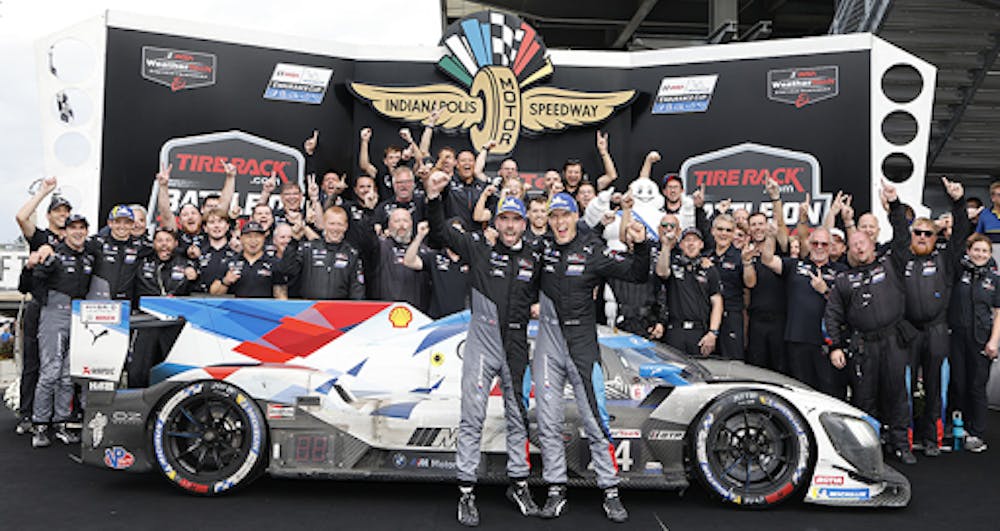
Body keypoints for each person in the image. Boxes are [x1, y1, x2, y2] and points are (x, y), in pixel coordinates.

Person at [424, 172, 540, 525]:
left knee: (519, 416)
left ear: (523, 223)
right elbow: (440, 233)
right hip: (482, 343)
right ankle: (466, 492)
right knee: (472, 416)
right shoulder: (479, 248)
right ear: (496, 220)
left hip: (518, 346)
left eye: (514, 219)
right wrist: (433, 198)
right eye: (503, 218)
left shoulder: (536, 257)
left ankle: (518, 484)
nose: (508, 225)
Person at [534, 192, 649, 523]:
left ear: (575, 218)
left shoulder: (592, 251)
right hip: (548, 344)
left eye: (564, 216)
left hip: (583, 344)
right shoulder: (540, 250)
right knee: (547, 421)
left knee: (595, 418)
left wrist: (641, 246)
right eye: (553, 216)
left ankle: (610, 490)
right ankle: (556, 489)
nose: (559, 222)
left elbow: (637, 273)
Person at [825, 182, 916, 465]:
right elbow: (833, 315)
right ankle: (870, 447)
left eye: (862, 243)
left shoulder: (891, 263)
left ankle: (900, 444)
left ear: (872, 244)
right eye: (853, 245)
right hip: (863, 345)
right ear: (848, 251)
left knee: (897, 394)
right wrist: (835, 347)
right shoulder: (842, 280)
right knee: (865, 398)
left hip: (893, 341)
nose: (858, 248)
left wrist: (895, 204)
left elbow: (902, 236)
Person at [891, 177, 969, 456]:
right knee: (906, 388)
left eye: (928, 233)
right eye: (918, 232)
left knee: (935, 386)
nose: (922, 236)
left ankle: (932, 439)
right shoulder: (901, 258)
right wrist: (894, 205)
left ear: (936, 237)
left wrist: (958, 203)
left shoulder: (945, 260)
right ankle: (906, 440)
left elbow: (960, 235)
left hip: (937, 330)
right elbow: (899, 230)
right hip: (908, 330)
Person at [30, 214, 93, 448]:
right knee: (50, 372)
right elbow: (33, 283)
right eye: (72, 228)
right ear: (64, 232)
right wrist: (48, 303)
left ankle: (61, 423)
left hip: (79, 316)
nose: (77, 232)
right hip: (54, 315)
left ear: (86, 231)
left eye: (81, 228)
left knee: (68, 375)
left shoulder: (88, 256)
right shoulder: (54, 255)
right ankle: (39, 425)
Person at [13, 177, 70, 435]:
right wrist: (44, 192)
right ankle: (27, 414)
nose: (63, 215)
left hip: (64, 310)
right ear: (48, 215)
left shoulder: (74, 239)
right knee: (34, 362)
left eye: (66, 211)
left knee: (63, 367)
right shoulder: (41, 236)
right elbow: (21, 217)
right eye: (58, 211)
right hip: (40, 304)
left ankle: (59, 416)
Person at [949, 233, 1000, 452]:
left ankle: (977, 432)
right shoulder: (959, 272)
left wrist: (994, 342)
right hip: (957, 337)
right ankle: (960, 427)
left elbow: (999, 313)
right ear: (968, 251)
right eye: (976, 250)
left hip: (982, 339)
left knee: (977, 386)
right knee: (958, 383)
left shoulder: (994, 279)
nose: (980, 254)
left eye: (984, 251)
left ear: (990, 254)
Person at [128, 228, 198, 387]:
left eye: (168, 241)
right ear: (153, 243)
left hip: (173, 325)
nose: (164, 245)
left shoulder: (185, 263)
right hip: (146, 322)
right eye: (159, 241)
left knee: (173, 370)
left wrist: (192, 275)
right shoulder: (143, 260)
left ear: (175, 243)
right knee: (138, 370)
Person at [656, 226, 723, 356]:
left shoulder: (709, 269)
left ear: (701, 244)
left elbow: (717, 302)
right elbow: (661, 272)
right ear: (681, 245)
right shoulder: (673, 264)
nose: (691, 244)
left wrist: (713, 333)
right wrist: (665, 246)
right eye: (687, 240)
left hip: (699, 332)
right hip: (675, 331)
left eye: (695, 240)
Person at [350, 207, 429, 311]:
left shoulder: (424, 250)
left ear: (412, 224)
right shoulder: (379, 247)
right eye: (397, 221)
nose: (402, 225)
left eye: (405, 220)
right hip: (384, 315)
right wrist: (369, 212)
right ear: (388, 225)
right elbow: (366, 239)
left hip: (416, 316)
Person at [280, 206, 365, 300]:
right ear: (324, 224)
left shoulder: (351, 254)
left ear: (346, 226)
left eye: (340, 224)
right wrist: (293, 242)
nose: (335, 228)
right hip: (309, 309)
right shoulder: (308, 248)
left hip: (338, 310)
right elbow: (287, 270)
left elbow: (357, 289)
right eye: (331, 223)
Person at [403, 221, 468, 318]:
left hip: (464, 322)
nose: (455, 236)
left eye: (459, 232)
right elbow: (409, 261)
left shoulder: (471, 259)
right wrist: (419, 237)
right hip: (437, 321)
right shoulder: (435, 257)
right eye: (452, 231)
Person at [210, 221, 287, 299]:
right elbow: (213, 294)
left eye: (257, 236)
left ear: (264, 238)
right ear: (241, 238)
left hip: (264, 310)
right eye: (249, 236)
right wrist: (226, 281)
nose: (253, 240)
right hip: (236, 310)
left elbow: (281, 297)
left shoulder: (274, 263)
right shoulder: (230, 262)